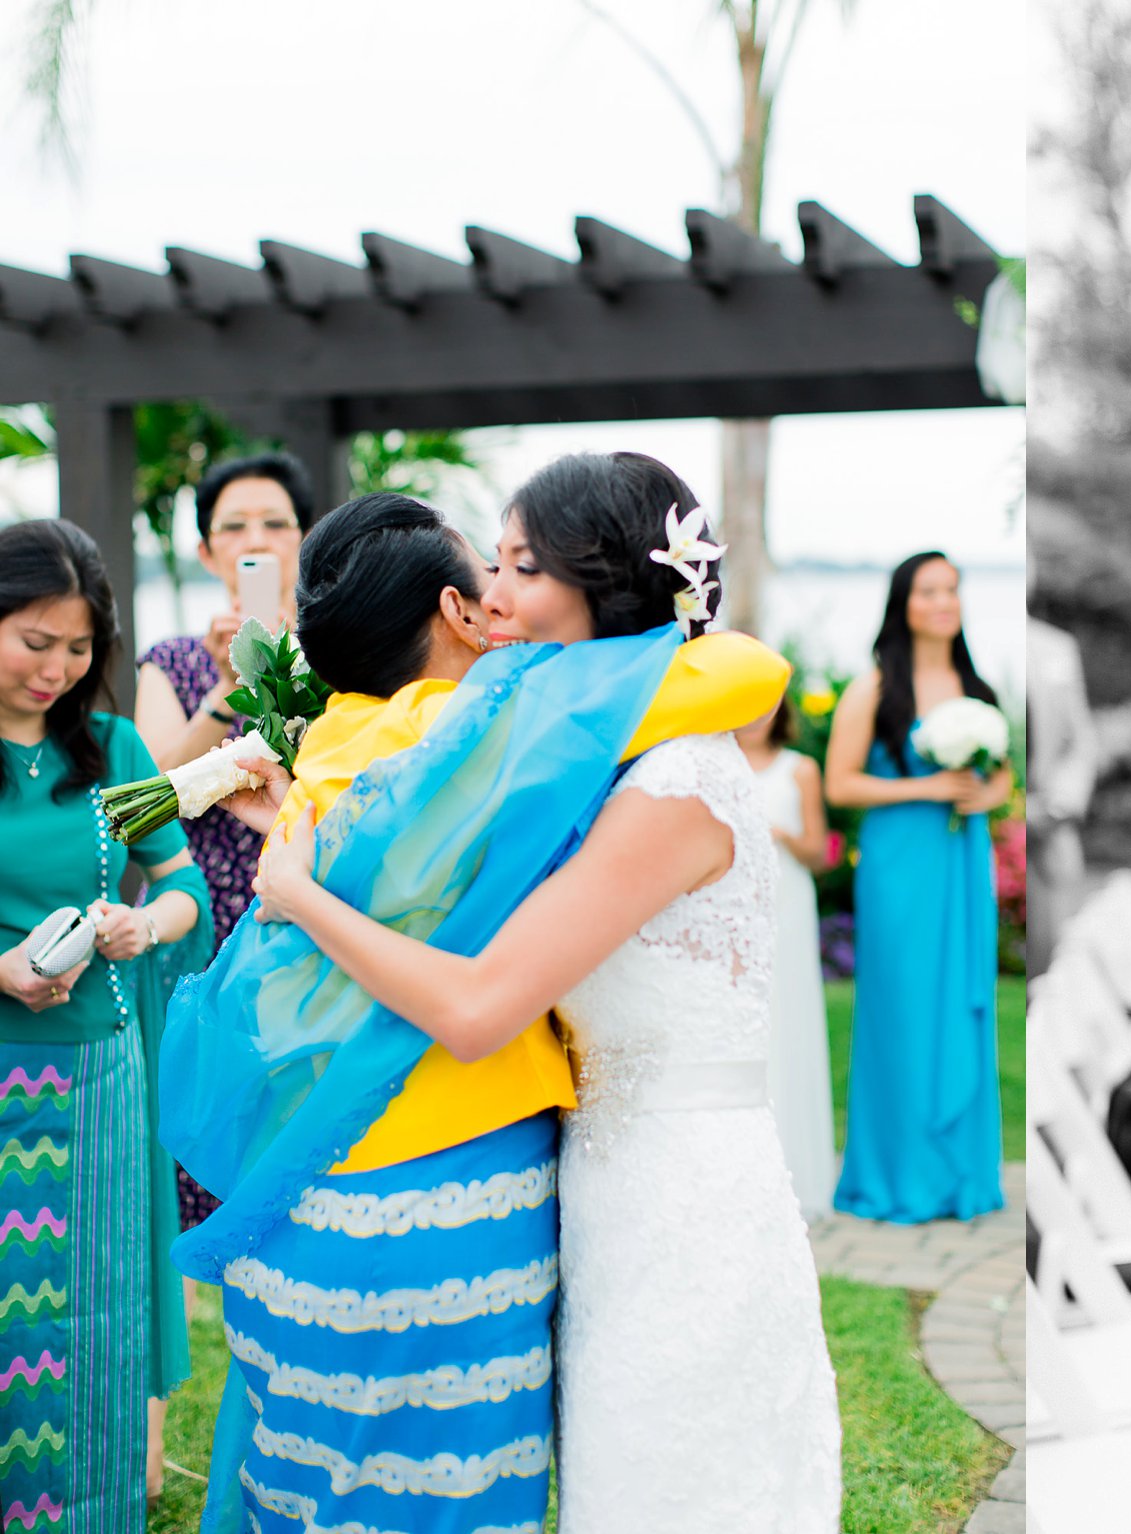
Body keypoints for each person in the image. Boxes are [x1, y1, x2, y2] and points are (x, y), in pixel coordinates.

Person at [197, 454, 836, 1529]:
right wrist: (318, 838)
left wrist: (302, 896)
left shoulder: (670, 779)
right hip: (593, 1178)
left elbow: (481, 1000)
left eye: (521, 565)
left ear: (608, 582)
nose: (490, 594)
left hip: (673, 1202)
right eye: (491, 562)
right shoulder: (582, 752)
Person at [0, 519, 211, 1531]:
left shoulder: (113, 747)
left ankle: (87, 1510)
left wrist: (140, 922)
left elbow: (184, 888)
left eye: (78, 648)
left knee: (93, 1308)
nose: (57, 669)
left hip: (95, 1075)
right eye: (34, 641)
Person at [135, 452, 313, 1234]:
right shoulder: (172, 661)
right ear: (207, 553)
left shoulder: (335, 658)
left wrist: (287, 668)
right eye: (234, 527)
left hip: (301, 909)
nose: (258, 540)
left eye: (276, 523)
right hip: (201, 921)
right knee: (204, 1114)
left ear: (304, 541)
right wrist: (222, 689)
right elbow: (146, 799)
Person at [825, 552, 1012, 1223]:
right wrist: (928, 787)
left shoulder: (976, 687)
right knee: (901, 1011)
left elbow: (1000, 780)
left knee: (964, 1006)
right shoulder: (874, 687)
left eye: (953, 590)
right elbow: (839, 783)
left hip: (960, 867)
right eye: (929, 590)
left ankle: (962, 1177)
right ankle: (898, 1177)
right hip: (899, 868)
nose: (943, 602)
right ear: (903, 602)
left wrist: (980, 792)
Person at [738, 696, 838, 1221]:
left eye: (766, 708)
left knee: (788, 1015)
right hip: (733, 900)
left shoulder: (800, 769)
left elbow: (819, 851)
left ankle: (799, 1165)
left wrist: (780, 834)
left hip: (787, 899)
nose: (756, 717)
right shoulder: (714, 761)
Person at [1024, 604, 1097, 979]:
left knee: (1059, 966)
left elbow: (1080, 739)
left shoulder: (1057, 647)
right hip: (992, 828)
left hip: (1052, 831)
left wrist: (1059, 803)